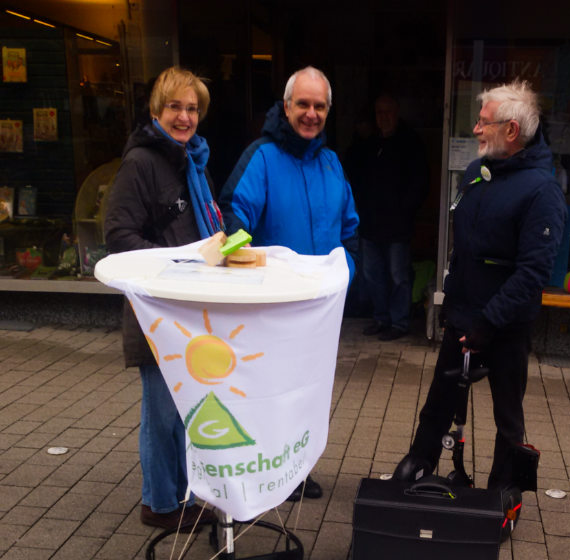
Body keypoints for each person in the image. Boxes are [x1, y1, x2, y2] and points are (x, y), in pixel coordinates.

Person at [394, 79, 566, 492]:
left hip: (504, 325)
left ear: (511, 130)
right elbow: (465, 246)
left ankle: (504, 490)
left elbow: (532, 273)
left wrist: (489, 322)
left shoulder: (542, 191)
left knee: (507, 413)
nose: (475, 129)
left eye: (483, 122)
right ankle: (420, 460)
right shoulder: (477, 173)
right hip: (463, 315)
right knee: (439, 401)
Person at [219, 66, 359, 501]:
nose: (311, 114)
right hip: (273, 306)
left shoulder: (331, 162)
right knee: (271, 392)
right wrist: (249, 273)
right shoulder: (262, 157)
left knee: (308, 393)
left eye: (319, 106)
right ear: (286, 106)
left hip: (317, 309)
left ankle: (297, 470)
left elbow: (349, 229)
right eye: (303, 104)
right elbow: (232, 218)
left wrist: (346, 273)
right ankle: (266, 471)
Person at [106, 66, 223, 531]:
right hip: (155, 309)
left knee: (185, 411)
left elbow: (201, 223)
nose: (184, 116)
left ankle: (182, 495)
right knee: (162, 413)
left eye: (192, 108)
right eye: (175, 106)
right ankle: (159, 503)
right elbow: (118, 233)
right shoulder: (141, 163)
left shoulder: (192, 159)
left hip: (189, 310)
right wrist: (178, 261)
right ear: (157, 110)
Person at [346, 93, 427, 341]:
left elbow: (420, 182)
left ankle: (399, 323)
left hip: (398, 225)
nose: (384, 117)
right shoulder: (368, 144)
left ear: (397, 112)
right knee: (372, 275)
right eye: (379, 113)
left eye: (388, 112)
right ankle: (381, 318)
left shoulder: (410, 142)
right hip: (370, 224)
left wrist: (405, 210)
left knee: (398, 276)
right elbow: (353, 173)